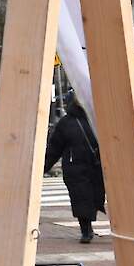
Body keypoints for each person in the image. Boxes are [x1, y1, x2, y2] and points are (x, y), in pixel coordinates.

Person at [43, 92, 106, 243]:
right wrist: (43, 167)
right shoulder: (68, 123)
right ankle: (86, 230)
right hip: (77, 168)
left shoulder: (96, 119)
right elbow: (54, 148)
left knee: (93, 197)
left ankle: (89, 227)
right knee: (81, 199)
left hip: (93, 167)